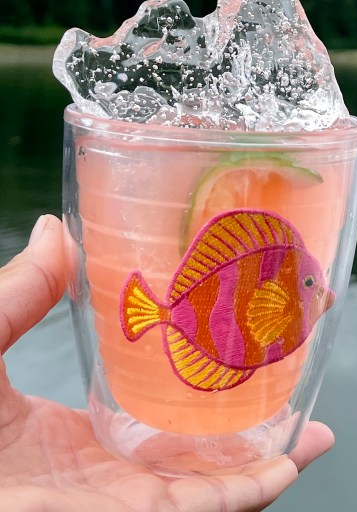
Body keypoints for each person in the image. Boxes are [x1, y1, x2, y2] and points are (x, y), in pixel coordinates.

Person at [0, 215, 334, 511]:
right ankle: (159, 314)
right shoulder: (282, 301)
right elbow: (262, 321)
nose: (324, 294)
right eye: (309, 283)